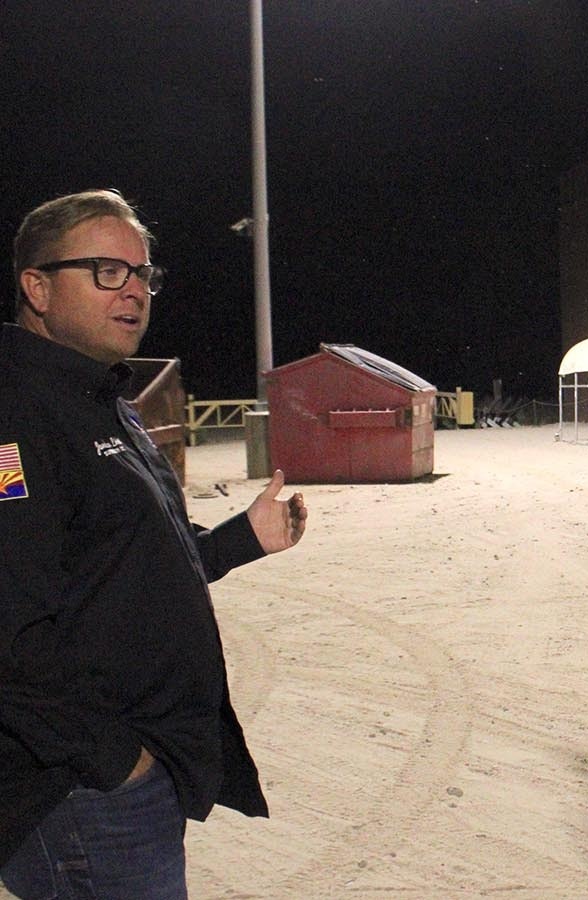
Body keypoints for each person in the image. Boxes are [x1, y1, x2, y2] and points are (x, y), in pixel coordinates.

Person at [0, 190, 310, 898]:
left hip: (135, 770)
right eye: (107, 270)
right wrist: (116, 762)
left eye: (143, 274)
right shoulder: (14, 417)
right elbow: (11, 636)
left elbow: (128, 568)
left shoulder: (102, 398)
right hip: (81, 788)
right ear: (36, 286)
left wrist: (240, 541)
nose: (134, 290)